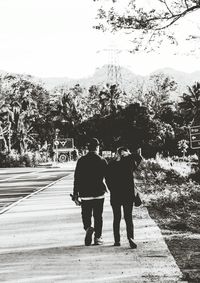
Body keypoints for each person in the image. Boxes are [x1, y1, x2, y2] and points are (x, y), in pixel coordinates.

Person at [72, 138, 108, 246]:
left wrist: (75, 194)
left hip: (85, 193)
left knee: (86, 214)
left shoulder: (81, 160)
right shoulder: (102, 160)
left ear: (88, 148)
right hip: (99, 193)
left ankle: (88, 228)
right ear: (97, 147)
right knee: (98, 216)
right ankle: (98, 238)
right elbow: (108, 177)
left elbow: (76, 178)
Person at [106, 147, 142, 249]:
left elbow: (107, 179)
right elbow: (139, 158)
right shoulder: (129, 162)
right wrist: (129, 155)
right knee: (128, 217)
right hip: (128, 194)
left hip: (116, 195)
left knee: (116, 218)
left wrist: (112, 189)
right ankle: (130, 238)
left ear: (116, 153)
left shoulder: (111, 164)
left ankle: (117, 240)